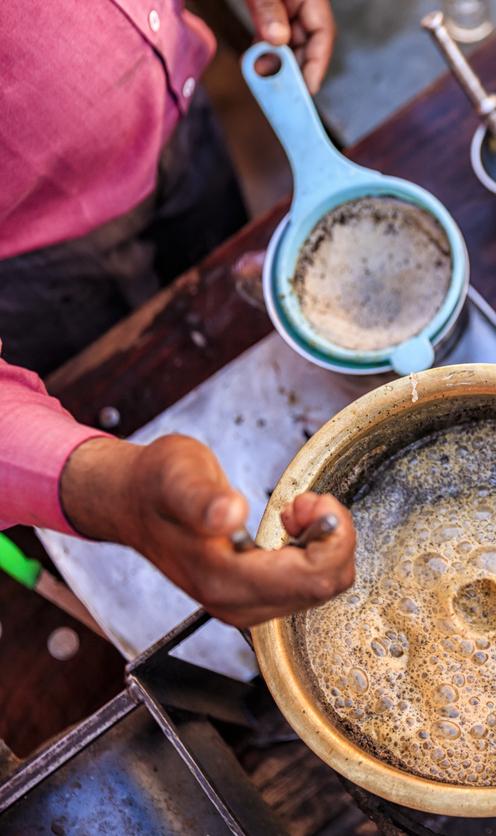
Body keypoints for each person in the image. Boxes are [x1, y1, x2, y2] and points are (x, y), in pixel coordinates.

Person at [0, 0, 355, 628]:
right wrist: (113, 491)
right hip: (30, 254)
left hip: (178, 109)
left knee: (219, 301)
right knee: (116, 382)